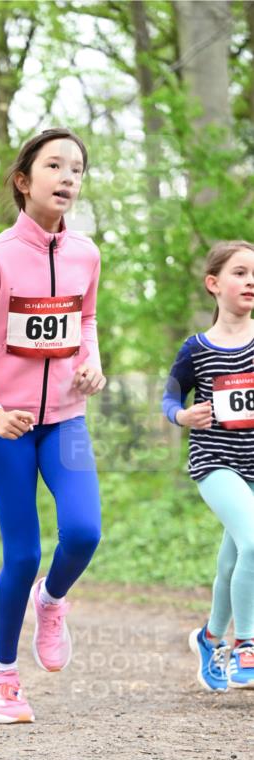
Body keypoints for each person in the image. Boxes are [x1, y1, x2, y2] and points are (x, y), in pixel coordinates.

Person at [0, 127, 105, 723]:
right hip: (6, 426)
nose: (68, 177)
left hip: (65, 420)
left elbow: (84, 322)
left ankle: (53, 601)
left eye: (77, 169)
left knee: (84, 533)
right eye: (55, 166)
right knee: (22, 553)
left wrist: (91, 365)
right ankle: (2, 675)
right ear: (23, 180)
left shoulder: (86, 252)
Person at [162, 240, 254, 692]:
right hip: (216, 463)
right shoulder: (195, 348)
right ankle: (245, 646)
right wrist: (182, 416)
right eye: (240, 272)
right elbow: (169, 398)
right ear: (214, 284)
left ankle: (209, 638)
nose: (251, 281)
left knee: (232, 560)